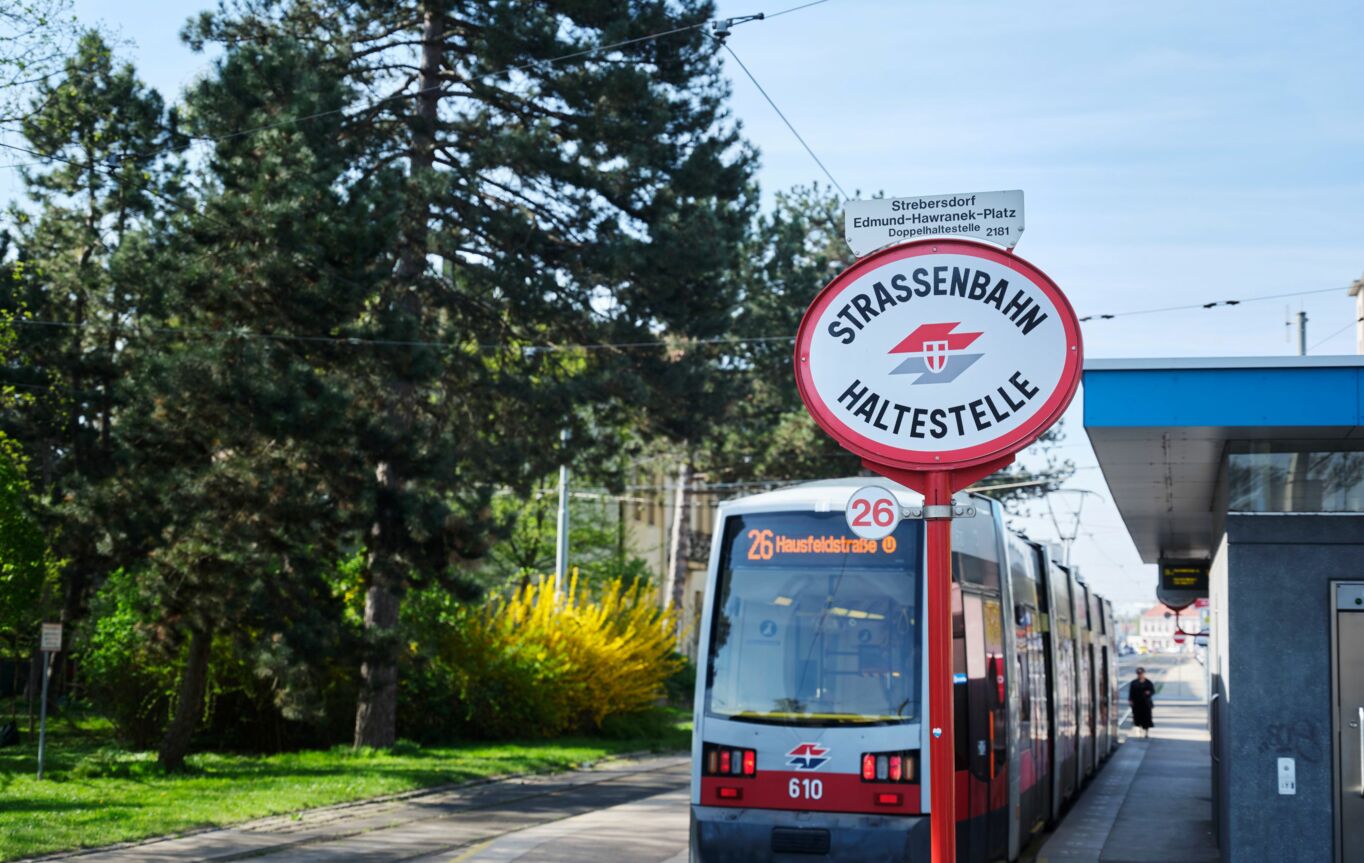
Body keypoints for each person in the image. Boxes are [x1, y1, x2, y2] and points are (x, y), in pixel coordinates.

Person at [1128, 667, 1155, 738]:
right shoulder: (1134, 683)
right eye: (1139, 674)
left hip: (1146, 704)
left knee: (1147, 718)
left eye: (1141, 673)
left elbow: (1153, 691)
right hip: (1137, 704)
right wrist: (1130, 700)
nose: (1140, 675)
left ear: (1144, 674)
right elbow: (1131, 693)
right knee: (1137, 718)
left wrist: (1149, 692)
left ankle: (1146, 732)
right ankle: (1138, 731)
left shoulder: (1148, 682)